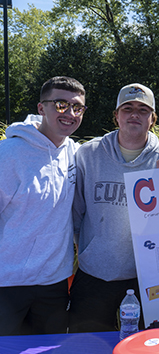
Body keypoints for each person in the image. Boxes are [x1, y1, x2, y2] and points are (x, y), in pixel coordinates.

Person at [69, 83, 159, 333]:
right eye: (127, 108)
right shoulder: (88, 154)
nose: (134, 114)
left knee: (148, 348)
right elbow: (76, 213)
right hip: (95, 273)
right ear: (116, 115)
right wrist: (90, 248)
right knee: (87, 347)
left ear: (153, 119)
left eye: (143, 109)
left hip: (147, 277)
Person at [0, 76, 86, 335]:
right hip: (8, 283)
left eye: (77, 107)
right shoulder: (9, 154)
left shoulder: (74, 152)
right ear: (41, 108)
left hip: (54, 283)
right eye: (60, 105)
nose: (69, 113)